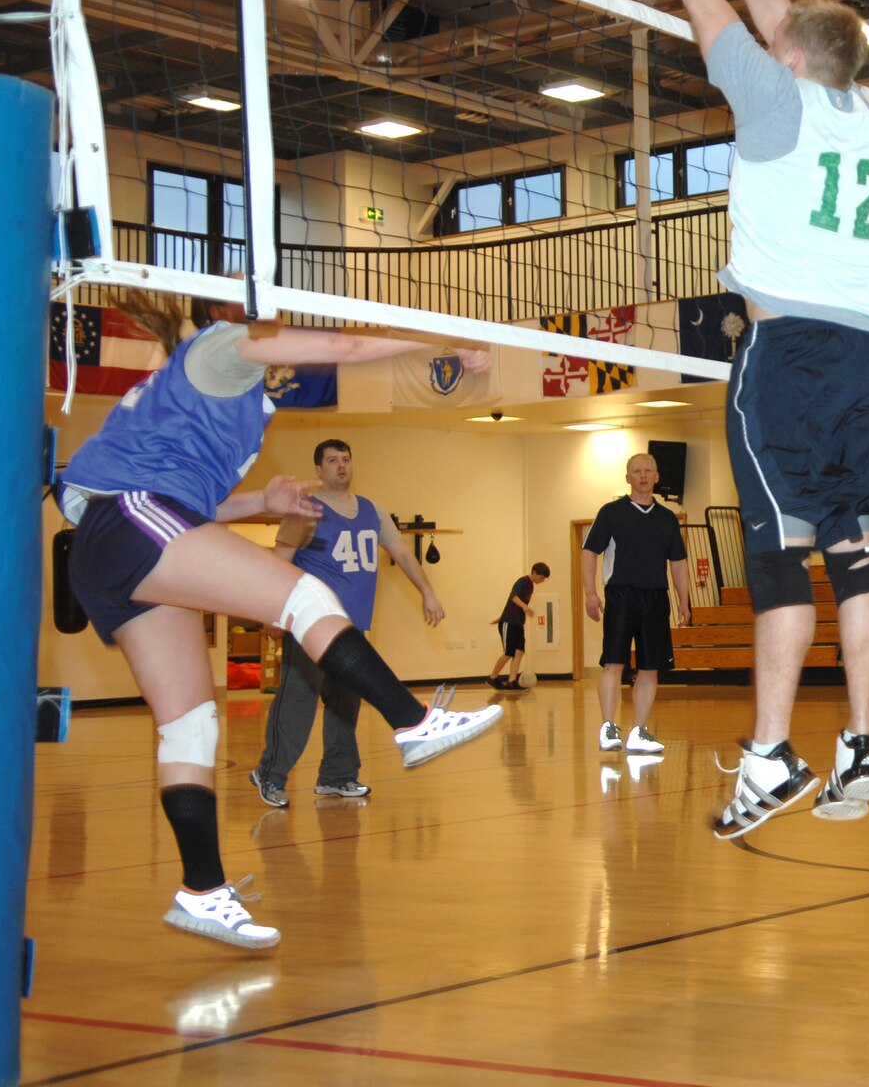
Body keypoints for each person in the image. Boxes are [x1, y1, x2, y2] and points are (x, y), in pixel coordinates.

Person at [55, 294, 502, 948]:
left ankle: (202, 890)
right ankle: (413, 722)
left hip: (118, 542)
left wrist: (260, 501)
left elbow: (190, 501)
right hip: (128, 520)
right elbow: (348, 347)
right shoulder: (223, 344)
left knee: (189, 723)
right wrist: (444, 333)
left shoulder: (215, 387)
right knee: (308, 597)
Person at [617, 0, 869, 838]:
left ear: (786, 57)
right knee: (852, 543)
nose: (766, 41)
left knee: (779, 554)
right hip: (867, 350)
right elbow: (802, 25)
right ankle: (859, 739)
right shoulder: (859, 115)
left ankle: (771, 755)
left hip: (789, 357)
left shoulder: (775, 99)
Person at [249, 439, 446, 807]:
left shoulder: (373, 511)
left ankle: (337, 776)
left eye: (346, 459)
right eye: (332, 460)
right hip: (309, 627)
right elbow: (278, 563)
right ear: (318, 469)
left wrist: (427, 593)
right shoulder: (305, 511)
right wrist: (269, 612)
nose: (341, 466)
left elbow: (403, 553)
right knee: (297, 703)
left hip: (350, 631)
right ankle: (270, 774)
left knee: (345, 705)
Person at [581, 454, 693, 757]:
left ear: (657, 476)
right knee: (613, 663)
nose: (643, 475)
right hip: (621, 595)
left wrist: (684, 600)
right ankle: (608, 727)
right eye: (637, 471)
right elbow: (590, 552)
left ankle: (639, 731)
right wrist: (590, 593)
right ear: (627, 477)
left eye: (648, 470)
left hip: (656, 598)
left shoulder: (667, 518)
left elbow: (678, 562)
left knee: (649, 668)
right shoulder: (611, 513)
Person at [490, 562, 550, 689]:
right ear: (534, 573)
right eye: (541, 578)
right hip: (509, 622)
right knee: (508, 652)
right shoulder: (522, 581)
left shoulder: (531, 586)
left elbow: (512, 605)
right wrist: (525, 607)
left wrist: (503, 615)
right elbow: (513, 597)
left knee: (519, 651)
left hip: (517, 623)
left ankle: (512, 681)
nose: (542, 581)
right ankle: (492, 677)